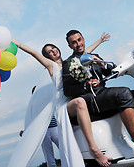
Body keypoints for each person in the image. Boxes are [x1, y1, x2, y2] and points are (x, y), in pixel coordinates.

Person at [12, 33, 113, 167]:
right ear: (48, 57)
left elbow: (86, 52)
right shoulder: (51, 66)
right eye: (49, 52)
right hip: (63, 105)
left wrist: (100, 40)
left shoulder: (70, 62)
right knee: (80, 103)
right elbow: (33, 52)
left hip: (75, 96)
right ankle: (93, 149)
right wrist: (16, 43)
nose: (53, 51)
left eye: (53, 48)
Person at [62, 30, 134, 157]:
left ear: (83, 39)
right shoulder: (69, 63)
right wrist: (86, 84)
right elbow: (67, 90)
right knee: (123, 93)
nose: (78, 44)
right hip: (91, 99)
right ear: (70, 46)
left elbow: (112, 70)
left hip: (103, 93)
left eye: (79, 40)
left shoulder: (94, 56)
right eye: (74, 42)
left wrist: (102, 63)